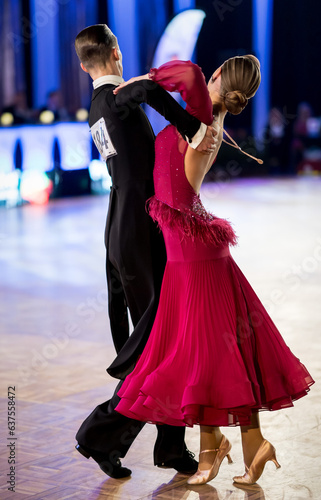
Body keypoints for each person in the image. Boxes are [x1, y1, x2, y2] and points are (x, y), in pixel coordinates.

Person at [113, 56, 315, 485]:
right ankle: (244, 446)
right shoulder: (205, 119)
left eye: (216, 71)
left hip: (193, 255)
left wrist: (142, 79)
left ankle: (217, 449)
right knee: (210, 352)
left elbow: (186, 73)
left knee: (208, 353)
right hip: (192, 250)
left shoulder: (203, 114)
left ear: (220, 78)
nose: (209, 75)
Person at [73, 24, 218, 479]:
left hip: (127, 228)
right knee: (156, 344)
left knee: (166, 340)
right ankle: (99, 435)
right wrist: (193, 125)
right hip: (137, 231)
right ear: (116, 52)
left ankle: (171, 447)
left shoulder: (96, 108)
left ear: (82, 65)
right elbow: (149, 90)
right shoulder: (117, 97)